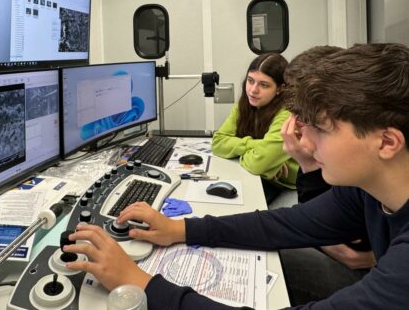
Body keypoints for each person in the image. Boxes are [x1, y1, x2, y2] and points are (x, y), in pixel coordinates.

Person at [63, 43, 409, 310]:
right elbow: (283, 225)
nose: (303, 140)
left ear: (387, 142)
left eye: (320, 128)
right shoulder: (366, 191)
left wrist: (140, 284)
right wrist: (180, 229)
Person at [280, 45, 375, 303]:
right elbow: (322, 224)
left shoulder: (354, 156)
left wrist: (309, 165)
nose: (296, 121)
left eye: (305, 112)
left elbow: (349, 250)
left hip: (366, 277)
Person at [211, 53, 298, 204]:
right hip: (257, 174)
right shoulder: (244, 105)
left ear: (280, 89)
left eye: (264, 85)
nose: (253, 90)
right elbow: (218, 143)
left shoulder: (287, 113)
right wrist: (263, 151)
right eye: (250, 81)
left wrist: (262, 160)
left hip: (280, 183)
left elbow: (257, 165)